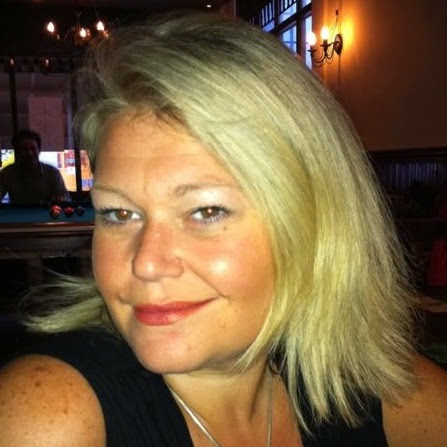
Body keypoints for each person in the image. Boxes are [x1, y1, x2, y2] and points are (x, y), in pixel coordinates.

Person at [0, 13, 446, 447]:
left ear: (313, 224)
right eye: (118, 214)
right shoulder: (49, 417)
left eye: (206, 211)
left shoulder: (384, 389)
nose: (146, 263)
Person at [0, 129, 70, 205]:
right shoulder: (7, 173)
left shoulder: (53, 173)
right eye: (24, 149)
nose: (29, 153)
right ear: (17, 152)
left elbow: (64, 198)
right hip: (17, 212)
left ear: (39, 150)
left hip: (48, 212)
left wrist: (60, 199)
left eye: (33, 148)